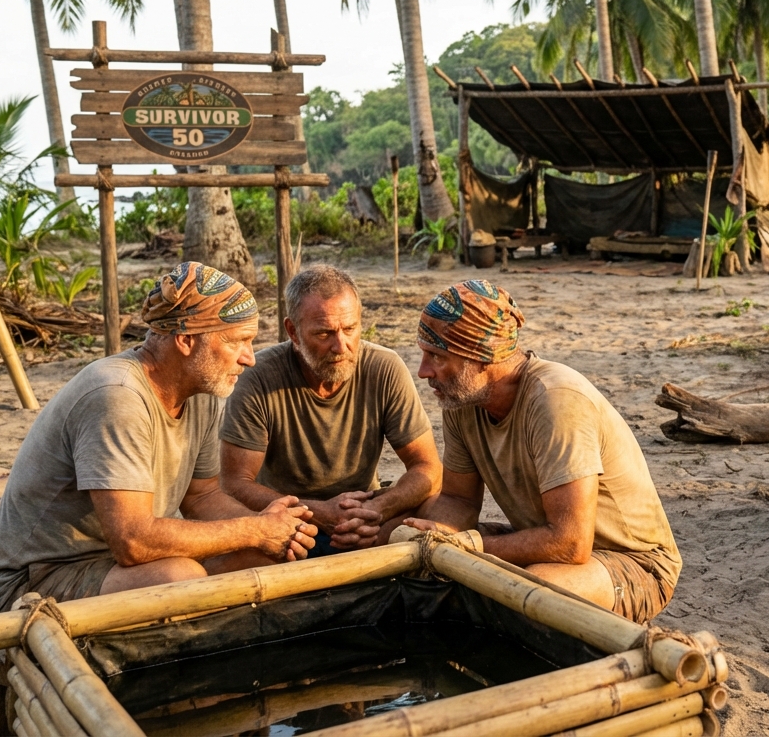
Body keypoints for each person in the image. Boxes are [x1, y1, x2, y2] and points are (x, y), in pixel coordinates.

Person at [0, 263, 318, 616]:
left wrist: (272, 529)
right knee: (178, 575)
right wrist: (254, 529)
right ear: (186, 340)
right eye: (237, 342)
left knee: (264, 556)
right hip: (35, 579)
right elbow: (133, 542)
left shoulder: (203, 390)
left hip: (113, 564)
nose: (249, 358)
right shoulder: (117, 396)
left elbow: (203, 496)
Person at [400, 280, 682, 623]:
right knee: (405, 542)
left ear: (482, 357)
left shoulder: (556, 400)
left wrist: (467, 546)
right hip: (546, 543)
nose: (422, 371)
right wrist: (421, 538)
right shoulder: (460, 401)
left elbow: (570, 543)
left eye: (437, 357)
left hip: (631, 563)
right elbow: (459, 503)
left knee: (531, 589)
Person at [220, 265, 442, 553]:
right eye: (324, 334)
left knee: (436, 509)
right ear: (293, 332)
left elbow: (427, 468)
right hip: (290, 525)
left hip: (366, 521)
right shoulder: (259, 377)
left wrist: (377, 510)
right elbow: (234, 483)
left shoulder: (384, 368)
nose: (341, 346)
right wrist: (316, 512)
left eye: (350, 329)